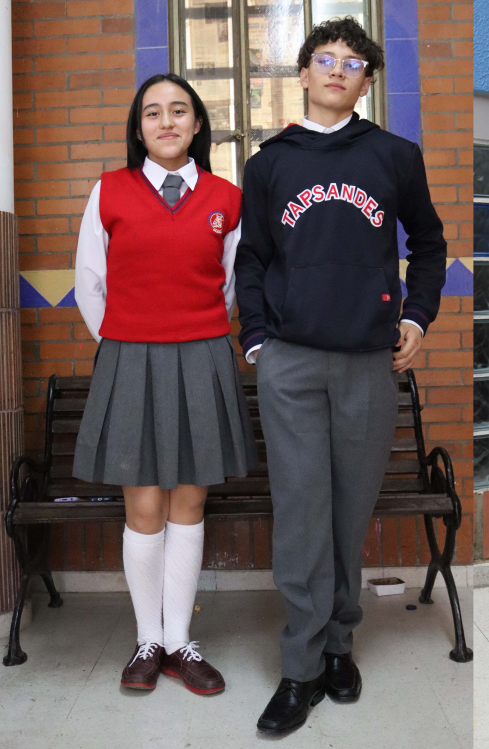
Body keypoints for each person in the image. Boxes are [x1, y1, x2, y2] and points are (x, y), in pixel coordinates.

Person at [235, 16, 447, 734]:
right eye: (323, 59)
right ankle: (299, 668)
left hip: (367, 361)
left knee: (348, 511)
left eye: (352, 63)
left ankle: (337, 646)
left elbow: (429, 242)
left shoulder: (394, 156)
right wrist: (258, 340)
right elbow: (252, 259)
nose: (336, 70)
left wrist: (417, 316)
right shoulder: (269, 164)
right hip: (290, 362)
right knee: (301, 515)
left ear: (367, 81)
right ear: (302, 74)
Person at [73, 73, 257, 694]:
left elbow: (231, 286)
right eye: (153, 113)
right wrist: (127, 342)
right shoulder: (109, 191)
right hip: (130, 357)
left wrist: (195, 335)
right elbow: (90, 283)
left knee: (190, 503)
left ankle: (180, 641)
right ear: (139, 128)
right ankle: (146, 640)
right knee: (145, 504)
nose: (167, 121)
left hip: (204, 356)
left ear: (198, 124)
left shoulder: (227, 198)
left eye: (179, 110)